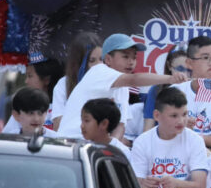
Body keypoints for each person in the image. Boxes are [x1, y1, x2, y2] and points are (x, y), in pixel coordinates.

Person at [56, 34, 187, 140]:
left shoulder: (123, 88)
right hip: (71, 142)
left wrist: (111, 147)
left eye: (134, 57)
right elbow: (134, 79)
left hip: (95, 146)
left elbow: (120, 126)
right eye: (125, 56)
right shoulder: (99, 71)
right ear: (108, 59)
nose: (131, 62)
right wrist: (169, 78)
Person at [130, 87, 208, 188]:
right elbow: (134, 187)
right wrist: (145, 185)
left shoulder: (194, 140)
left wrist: (176, 183)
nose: (181, 120)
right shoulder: (143, 141)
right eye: (174, 116)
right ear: (157, 116)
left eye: (185, 114)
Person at [171, 37, 211, 149]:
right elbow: (164, 131)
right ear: (189, 63)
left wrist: (185, 132)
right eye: (205, 58)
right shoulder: (174, 91)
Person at [52, 32, 103, 131]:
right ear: (78, 63)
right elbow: (58, 126)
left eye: (101, 59)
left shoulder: (109, 83)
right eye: (92, 61)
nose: (99, 65)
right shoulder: (63, 85)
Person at [2, 52, 63, 133]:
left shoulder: (64, 108)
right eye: (30, 113)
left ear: (46, 79)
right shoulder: (23, 106)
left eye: (30, 76)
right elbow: (7, 138)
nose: (26, 81)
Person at [143, 49, 189, 132]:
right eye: (180, 69)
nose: (184, 74)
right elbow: (147, 129)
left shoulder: (201, 90)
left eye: (189, 70)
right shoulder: (157, 90)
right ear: (169, 66)